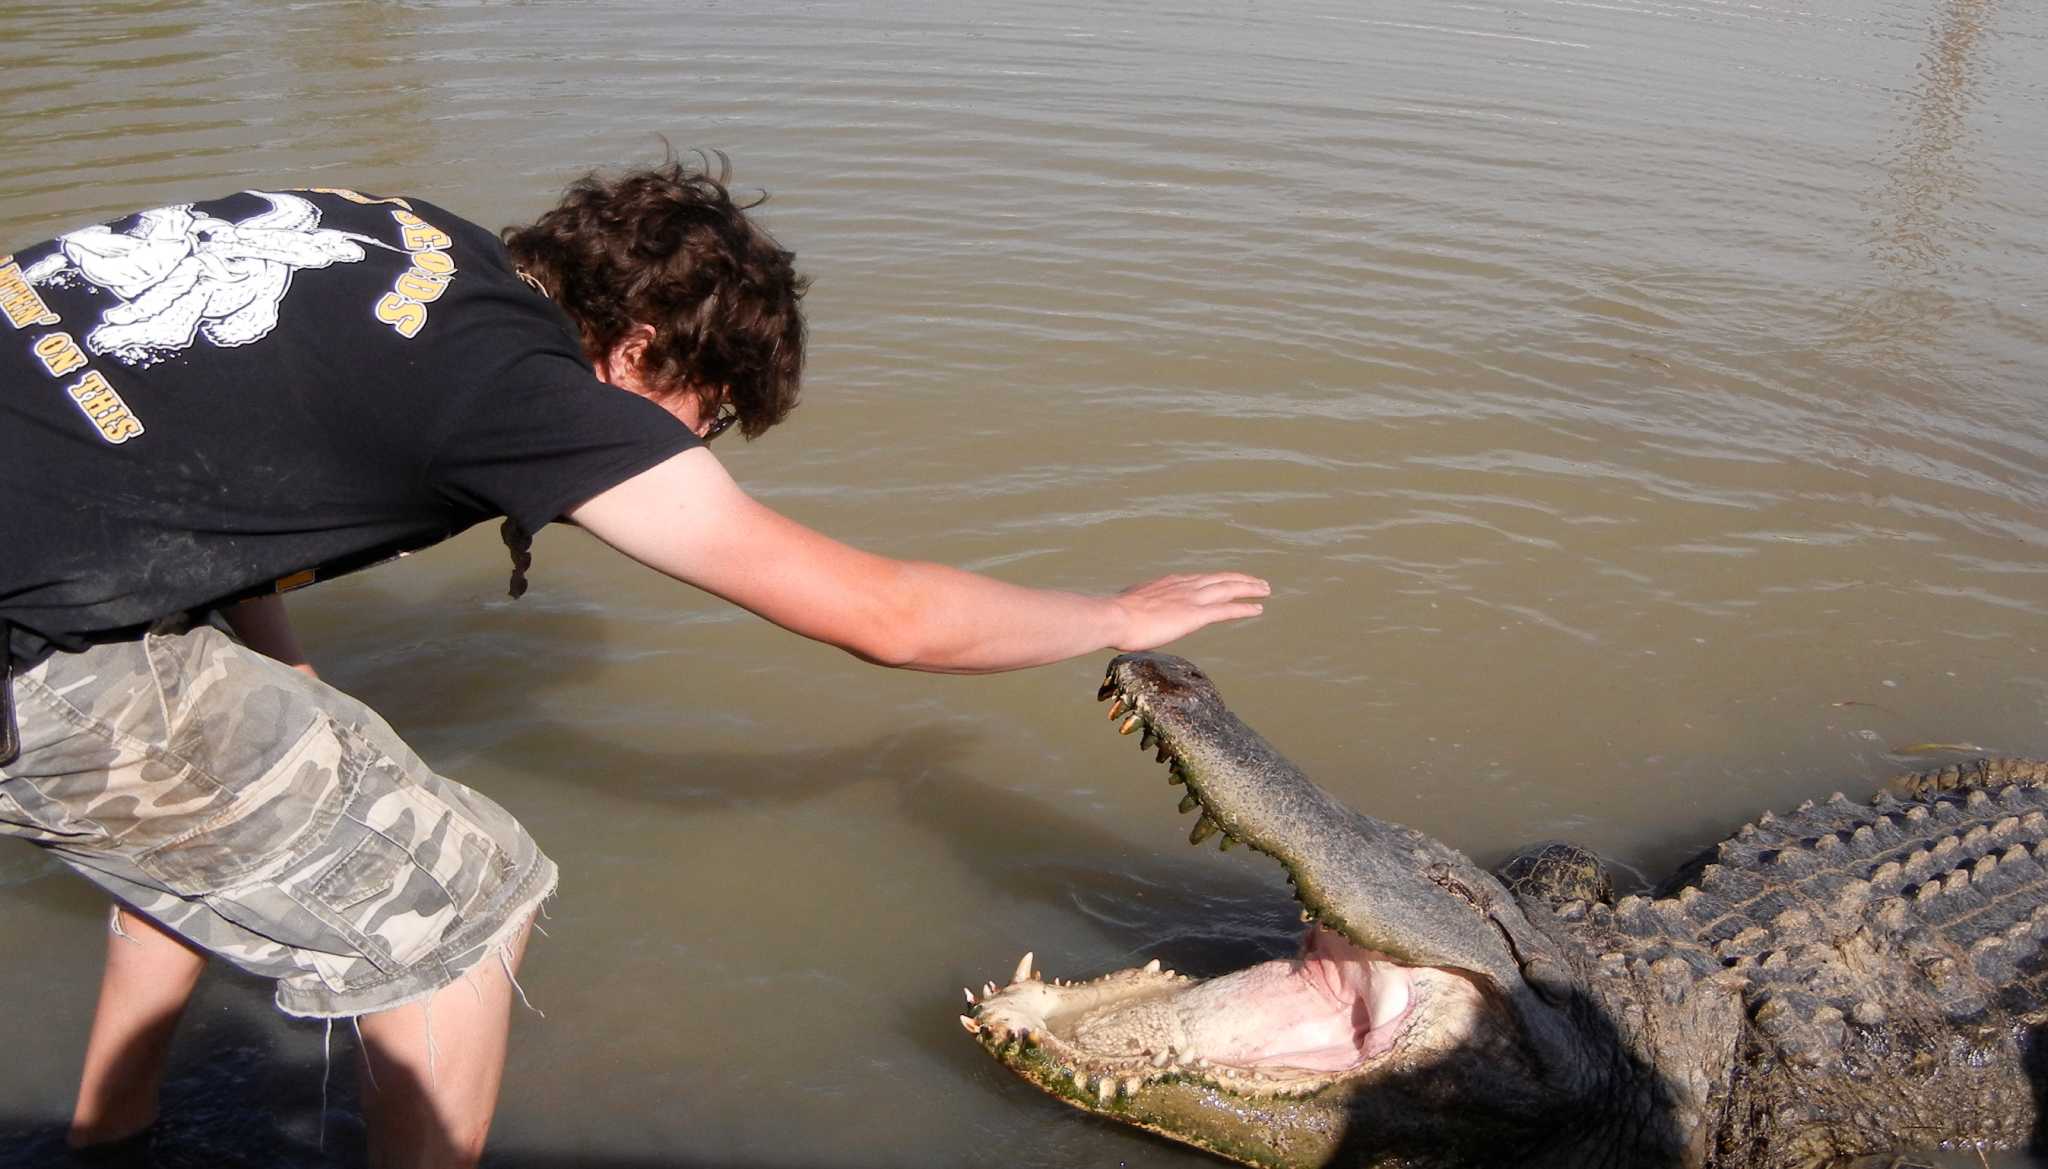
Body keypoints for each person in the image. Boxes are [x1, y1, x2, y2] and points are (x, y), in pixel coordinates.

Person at [0, 157, 1269, 1168]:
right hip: (26, 643)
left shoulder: (393, 231)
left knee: (218, 805)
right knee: (463, 900)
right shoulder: (526, 391)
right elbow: (888, 617)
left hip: (48, 540)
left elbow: (180, 487)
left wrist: (295, 680)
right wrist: (1111, 613)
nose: (687, 445)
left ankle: (111, 1136)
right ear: (646, 349)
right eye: (705, 418)